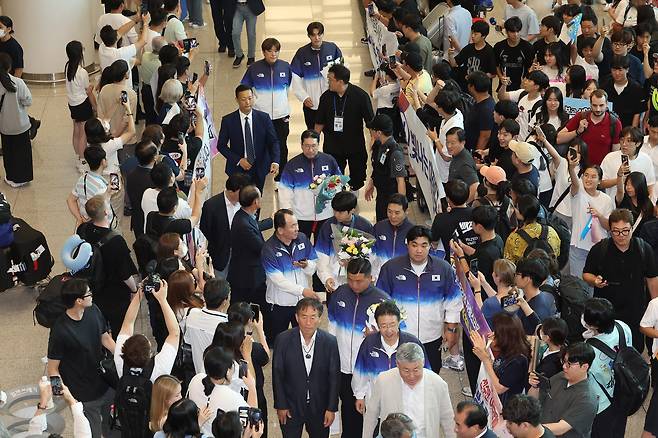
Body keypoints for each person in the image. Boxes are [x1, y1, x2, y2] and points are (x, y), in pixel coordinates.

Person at [377, 226, 462, 373]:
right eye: (414, 245)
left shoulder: (443, 269)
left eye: (424, 245)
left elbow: (453, 302)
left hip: (432, 336)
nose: (419, 250)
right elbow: (380, 301)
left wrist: (451, 330)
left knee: (431, 374)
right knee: (401, 374)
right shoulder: (391, 268)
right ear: (407, 244)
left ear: (431, 246)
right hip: (400, 336)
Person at [327, 258, 390, 437]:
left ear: (370, 278)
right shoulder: (339, 293)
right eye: (350, 279)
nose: (354, 284)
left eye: (359, 280)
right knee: (348, 406)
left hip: (368, 368)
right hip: (343, 365)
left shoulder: (383, 300)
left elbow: (395, 334)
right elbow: (332, 324)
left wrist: (378, 335)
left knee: (371, 409)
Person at [47, 279, 116, 438]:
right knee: (93, 432)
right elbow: (52, 368)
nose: (92, 296)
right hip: (83, 393)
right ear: (79, 301)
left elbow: (105, 338)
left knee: (111, 425)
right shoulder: (60, 330)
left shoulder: (93, 311)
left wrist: (124, 357)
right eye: (89, 293)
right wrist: (60, 393)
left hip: (105, 383)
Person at [583, 208, 658, 352]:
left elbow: (652, 279)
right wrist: (595, 280)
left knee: (634, 348)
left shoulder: (643, 249)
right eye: (616, 231)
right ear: (610, 230)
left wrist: (655, 306)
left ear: (632, 228)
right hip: (606, 310)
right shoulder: (600, 249)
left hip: (634, 308)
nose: (621, 236)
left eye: (625, 231)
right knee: (606, 348)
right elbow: (586, 274)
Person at [272, 298, 340, 438]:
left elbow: (334, 377)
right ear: (297, 317)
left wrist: (331, 408)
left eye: (313, 317)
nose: (308, 322)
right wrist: (281, 404)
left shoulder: (330, 342)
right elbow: (277, 374)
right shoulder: (283, 339)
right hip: (290, 406)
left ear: (320, 318)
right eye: (304, 317)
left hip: (319, 407)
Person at [362, 342, 456, 438]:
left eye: (416, 370)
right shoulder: (384, 380)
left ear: (423, 362)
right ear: (397, 364)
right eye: (406, 371)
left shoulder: (437, 383)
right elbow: (371, 415)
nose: (411, 376)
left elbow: (448, 419)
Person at [352, 301, 428, 417]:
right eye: (383, 326)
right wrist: (359, 396)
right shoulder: (369, 343)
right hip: (377, 407)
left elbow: (426, 373)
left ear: (399, 322)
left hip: (406, 408)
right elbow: (361, 372)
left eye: (392, 325)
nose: (388, 330)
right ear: (377, 325)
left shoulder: (412, 344)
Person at [77, 195, 138, 337]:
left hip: (92, 287)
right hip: (114, 292)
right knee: (119, 325)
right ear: (106, 212)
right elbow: (125, 274)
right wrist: (134, 290)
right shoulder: (116, 241)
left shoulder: (83, 229)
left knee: (99, 323)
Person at [314, 64, 374, 192]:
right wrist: (314, 141)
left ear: (340, 82)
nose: (328, 82)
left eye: (330, 79)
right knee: (334, 178)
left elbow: (370, 123)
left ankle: (352, 198)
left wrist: (374, 142)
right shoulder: (326, 97)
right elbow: (319, 122)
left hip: (355, 146)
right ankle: (337, 199)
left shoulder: (361, 96)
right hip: (333, 146)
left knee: (357, 178)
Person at [241, 38, 293, 185]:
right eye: (269, 51)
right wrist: (253, 103)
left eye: (276, 51)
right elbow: (244, 88)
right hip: (261, 115)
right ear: (263, 52)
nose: (273, 54)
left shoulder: (285, 67)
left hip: (281, 115)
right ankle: (261, 173)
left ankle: (280, 176)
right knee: (261, 145)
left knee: (281, 145)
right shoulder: (254, 69)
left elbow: (289, 87)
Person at [263, 209, 319, 343]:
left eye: (297, 224)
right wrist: (303, 290)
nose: (297, 229)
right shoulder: (269, 249)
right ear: (280, 230)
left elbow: (313, 263)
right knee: (277, 342)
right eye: (292, 226)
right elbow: (278, 280)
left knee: (304, 340)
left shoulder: (302, 239)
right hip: (279, 304)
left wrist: (307, 265)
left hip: (301, 303)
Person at [581, 298, 634, 437]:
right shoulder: (622, 327)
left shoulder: (590, 349)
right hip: (625, 391)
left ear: (593, 325)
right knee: (617, 430)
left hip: (603, 401)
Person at [278, 129, 342, 244]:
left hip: (325, 214)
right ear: (301, 145)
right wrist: (287, 213)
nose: (310, 150)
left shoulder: (329, 160)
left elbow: (339, 184)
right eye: (307, 146)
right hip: (301, 216)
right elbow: (285, 190)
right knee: (300, 247)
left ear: (319, 144)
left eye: (314, 146)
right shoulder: (292, 165)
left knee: (324, 248)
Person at [217, 84, 280, 192]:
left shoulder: (264, 118)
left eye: (250, 98)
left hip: (259, 166)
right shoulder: (228, 121)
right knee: (239, 200)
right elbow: (221, 146)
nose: (247, 102)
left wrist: (275, 161)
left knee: (256, 199)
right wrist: (239, 160)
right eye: (243, 99)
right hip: (238, 169)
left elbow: (273, 141)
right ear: (236, 100)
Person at [528, 342, 599, 438]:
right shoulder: (561, 376)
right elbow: (533, 401)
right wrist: (535, 386)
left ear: (584, 367)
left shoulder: (587, 398)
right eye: (564, 361)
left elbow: (561, 428)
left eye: (569, 364)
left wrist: (530, 429)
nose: (564, 366)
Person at [188, 346, 258, 436]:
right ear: (228, 371)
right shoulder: (232, 397)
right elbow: (253, 418)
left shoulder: (196, 379)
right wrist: (252, 388)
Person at [315, 190, 374, 292]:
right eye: (334, 211)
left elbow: (372, 256)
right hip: (334, 280)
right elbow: (321, 255)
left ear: (352, 210)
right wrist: (327, 277)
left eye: (340, 212)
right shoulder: (327, 226)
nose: (336, 215)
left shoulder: (365, 226)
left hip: (357, 280)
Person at [290, 22, 343, 129]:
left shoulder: (332, 49)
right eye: (313, 35)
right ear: (309, 36)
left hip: (331, 103)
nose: (317, 38)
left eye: (319, 34)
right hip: (311, 105)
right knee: (312, 136)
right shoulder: (302, 53)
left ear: (323, 34)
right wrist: (303, 97)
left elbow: (342, 73)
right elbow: (294, 76)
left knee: (333, 136)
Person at [471, 312, 531, 406]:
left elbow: (499, 388)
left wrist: (485, 360)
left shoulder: (518, 361)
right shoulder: (509, 347)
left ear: (505, 336)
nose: (493, 334)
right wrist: (485, 352)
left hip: (504, 408)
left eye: (497, 332)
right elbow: (496, 367)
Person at [567, 156, 613, 279]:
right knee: (578, 284)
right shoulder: (578, 192)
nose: (588, 179)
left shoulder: (606, 199)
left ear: (599, 181)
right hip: (578, 247)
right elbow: (575, 183)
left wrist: (599, 215)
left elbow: (608, 226)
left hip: (598, 248)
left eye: (593, 177)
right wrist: (571, 168)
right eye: (586, 175)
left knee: (595, 284)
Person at [199, 173, 251, 279]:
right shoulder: (211, 206)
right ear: (232, 191)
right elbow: (205, 231)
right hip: (220, 257)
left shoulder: (246, 203)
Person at [228, 185, 268, 310]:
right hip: (247, 277)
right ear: (255, 202)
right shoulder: (244, 225)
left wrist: (272, 221)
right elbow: (261, 248)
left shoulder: (243, 215)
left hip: (245, 273)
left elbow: (255, 226)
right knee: (241, 310)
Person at [557, 89, 622, 165]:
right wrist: (577, 131)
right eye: (594, 105)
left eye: (601, 105)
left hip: (601, 171)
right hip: (579, 169)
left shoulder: (615, 123)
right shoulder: (580, 117)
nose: (598, 109)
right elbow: (559, 139)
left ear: (607, 104)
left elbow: (614, 154)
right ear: (590, 104)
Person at [365, 114, 407, 221]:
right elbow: (378, 167)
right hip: (381, 195)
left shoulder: (395, 152)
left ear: (379, 132)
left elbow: (400, 181)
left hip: (390, 198)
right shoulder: (379, 145)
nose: (371, 132)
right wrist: (372, 182)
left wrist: (400, 206)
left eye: (373, 130)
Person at [451, 205, 504, 288]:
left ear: (479, 227)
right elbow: (477, 253)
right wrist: (462, 246)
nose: (471, 225)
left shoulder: (486, 253)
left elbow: (472, 280)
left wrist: (461, 256)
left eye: (472, 223)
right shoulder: (497, 238)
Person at [185, 278, 231, 374]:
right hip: (221, 376)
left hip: (198, 372)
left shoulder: (192, 315)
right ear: (224, 301)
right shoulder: (228, 326)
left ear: (204, 296)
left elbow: (188, 340)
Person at [0, 53, 33, 187]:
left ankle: (11, 177)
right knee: (22, 152)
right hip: (21, 124)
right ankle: (23, 178)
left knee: (9, 153)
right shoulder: (18, 82)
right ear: (9, 67)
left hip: (4, 126)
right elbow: (28, 100)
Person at [601, 126, 655, 202]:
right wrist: (619, 179)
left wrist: (645, 205)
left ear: (638, 143)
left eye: (629, 141)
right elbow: (600, 183)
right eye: (622, 140)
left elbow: (650, 185)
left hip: (637, 206)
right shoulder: (610, 157)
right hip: (613, 204)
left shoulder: (646, 159)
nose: (624, 144)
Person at [504, 194, 561, 263]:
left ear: (521, 213)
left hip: (526, 272)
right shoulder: (551, 232)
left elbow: (509, 264)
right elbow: (556, 254)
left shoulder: (513, 238)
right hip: (548, 272)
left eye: (516, 207)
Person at [65, 40, 96, 167]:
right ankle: (83, 160)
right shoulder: (82, 72)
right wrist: (95, 106)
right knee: (83, 132)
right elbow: (87, 91)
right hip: (82, 104)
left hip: (72, 103)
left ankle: (78, 155)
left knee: (76, 129)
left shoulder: (68, 66)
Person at [67, 146, 113, 228]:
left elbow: (70, 200)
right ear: (103, 162)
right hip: (99, 227)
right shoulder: (102, 188)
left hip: (85, 223)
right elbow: (108, 216)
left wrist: (79, 218)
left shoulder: (82, 178)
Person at [431, 179, 479, 259]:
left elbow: (434, 242)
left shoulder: (441, 219)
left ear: (448, 199)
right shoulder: (478, 214)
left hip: (452, 264)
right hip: (478, 261)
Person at [371, 194, 415, 280]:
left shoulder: (413, 232)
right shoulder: (379, 227)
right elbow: (371, 251)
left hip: (404, 278)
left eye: (397, 213)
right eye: (389, 211)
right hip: (380, 276)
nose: (393, 216)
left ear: (406, 211)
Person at [499, 70, 549, 142]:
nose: (525, 82)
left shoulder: (540, 106)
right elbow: (502, 97)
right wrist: (504, 85)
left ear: (536, 86)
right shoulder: (522, 93)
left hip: (525, 144)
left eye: (529, 81)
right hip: (514, 140)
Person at [602, 55, 646, 128]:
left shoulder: (636, 88)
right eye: (614, 70)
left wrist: (631, 131)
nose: (617, 73)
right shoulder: (605, 86)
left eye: (620, 70)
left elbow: (637, 113)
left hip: (627, 127)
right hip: (608, 127)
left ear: (627, 70)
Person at [449, 21, 496, 89]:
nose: (472, 36)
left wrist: (476, 78)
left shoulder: (489, 51)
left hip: (481, 88)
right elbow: (454, 64)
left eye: (476, 34)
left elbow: (493, 74)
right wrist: (450, 55)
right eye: (472, 33)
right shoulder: (468, 48)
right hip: (466, 87)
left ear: (483, 36)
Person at [125, 139, 157, 238]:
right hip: (151, 222)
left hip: (137, 219)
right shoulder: (154, 179)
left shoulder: (130, 175)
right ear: (155, 157)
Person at [463, 72, 495, 152]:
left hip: (474, 151)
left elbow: (485, 136)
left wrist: (476, 156)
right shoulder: (479, 101)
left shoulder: (486, 109)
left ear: (472, 87)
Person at [446, 128, 479, 202]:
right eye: (447, 142)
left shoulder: (464, 164)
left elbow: (475, 186)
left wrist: (463, 206)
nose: (449, 146)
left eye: (453, 143)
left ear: (463, 143)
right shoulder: (457, 153)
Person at [231, 0, 265, 67]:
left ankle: (251, 56)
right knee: (235, 33)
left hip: (251, 8)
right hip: (237, 8)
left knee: (251, 34)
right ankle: (239, 55)